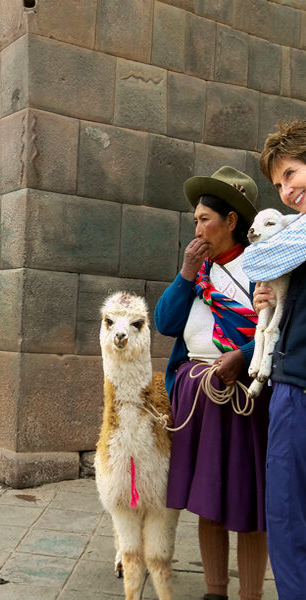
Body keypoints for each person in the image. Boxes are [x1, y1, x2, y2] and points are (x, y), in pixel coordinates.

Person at [154, 167, 270, 600]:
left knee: (249, 500)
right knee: (210, 495)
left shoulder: (261, 267)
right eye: (196, 219)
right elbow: (166, 322)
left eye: (205, 219)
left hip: (244, 398)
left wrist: (242, 357)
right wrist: (186, 272)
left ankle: (251, 595)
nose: (197, 227)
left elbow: (274, 330)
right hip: (197, 397)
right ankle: (214, 592)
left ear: (232, 221)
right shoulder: (198, 273)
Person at [243, 120, 306, 600]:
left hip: (298, 389)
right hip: (290, 374)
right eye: (280, 184)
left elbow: (255, 263)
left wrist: (266, 267)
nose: (286, 190)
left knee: (288, 518)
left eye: (291, 173)